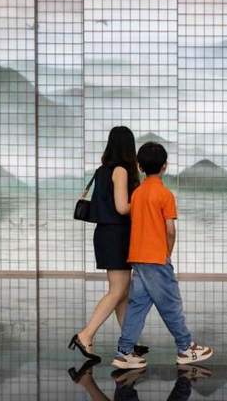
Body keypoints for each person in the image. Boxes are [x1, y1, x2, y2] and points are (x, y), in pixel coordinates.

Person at [111, 141, 213, 369]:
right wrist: (167, 251)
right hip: (156, 259)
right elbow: (169, 229)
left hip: (137, 258)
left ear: (140, 167)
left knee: (137, 305)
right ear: (165, 166)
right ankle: (186, 348)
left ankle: (125, 352)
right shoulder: (165, 194)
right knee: (171, 303)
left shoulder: (137, 194)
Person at [69, 126, 147, 361]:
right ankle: (85, 335)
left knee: (121, 293)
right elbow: (123, 207)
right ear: (129, 147)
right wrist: (144, 202)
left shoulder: (102, 170)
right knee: (117, 291)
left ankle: (130, 341)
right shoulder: (121, 170)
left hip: (106, 233)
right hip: (117, 235)